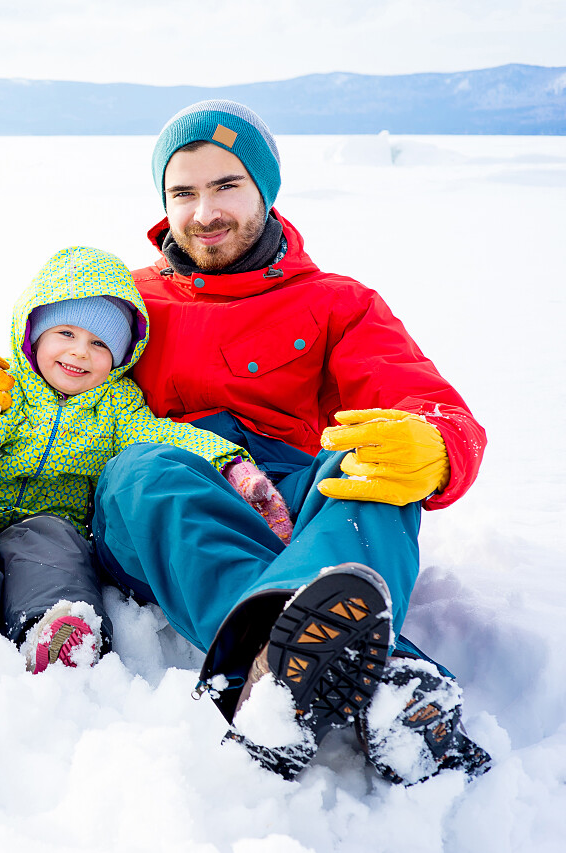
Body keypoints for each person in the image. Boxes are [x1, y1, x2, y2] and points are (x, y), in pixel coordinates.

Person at [88, 100, 492, 783]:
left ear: (265, 192)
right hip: (160, 512)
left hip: (285, 505)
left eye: (226, 186)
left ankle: (311, 664)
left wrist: (435, 442)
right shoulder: (126, 297)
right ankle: (329, 665)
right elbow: (41, 359)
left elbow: (428, 403)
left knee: (372, 454)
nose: (203, 211)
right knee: (148, 464)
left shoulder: (337, 302)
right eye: (182, 192)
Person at [0, 246, 277, 673]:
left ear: (122, 357)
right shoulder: (4, 390)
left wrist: (230, 464)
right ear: (33, 333)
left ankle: (56, 627)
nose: (80, 352)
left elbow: (164, 435)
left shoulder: (118, 407)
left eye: (99, 343)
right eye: (66, 333)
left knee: (56, 553)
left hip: (52, 521)